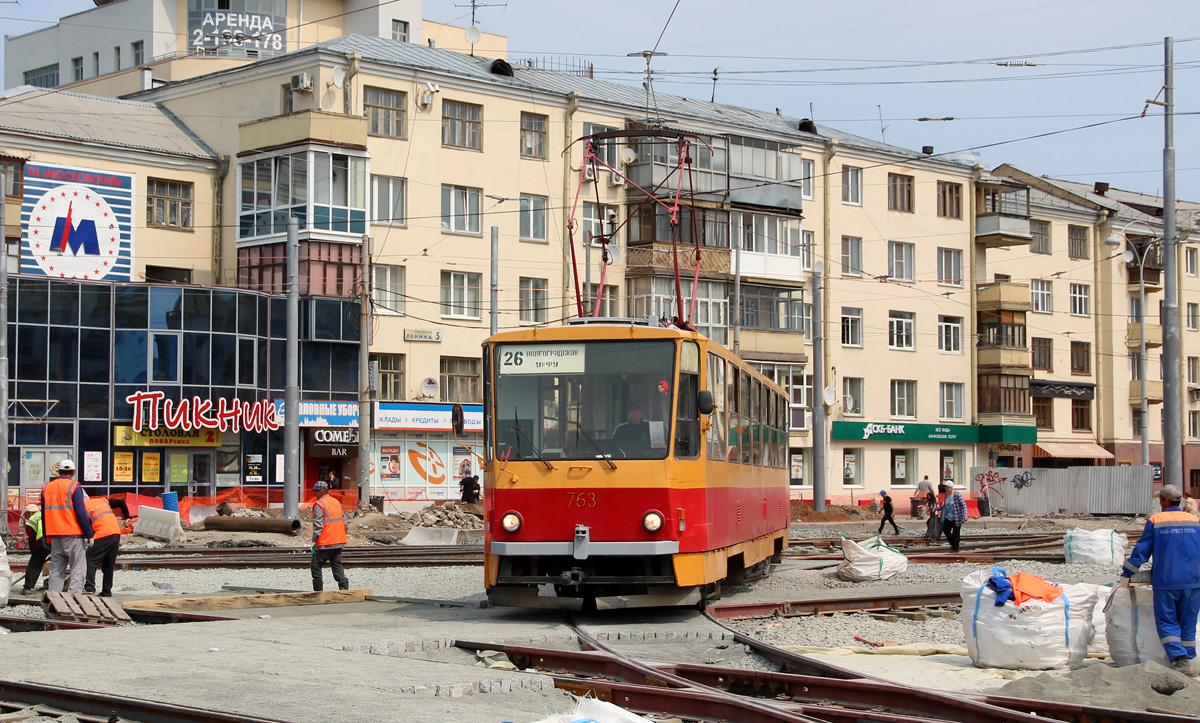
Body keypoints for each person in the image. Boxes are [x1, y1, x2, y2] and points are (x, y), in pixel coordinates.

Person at [1119, 484, 1200, 677]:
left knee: (1167, 622)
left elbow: (1142, 551)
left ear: (1164, 501)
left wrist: (1127, 572)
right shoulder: (1195, 520)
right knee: (1188, 622)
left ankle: (1180, 660)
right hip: (1193, 582)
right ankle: (1189, 661)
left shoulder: (1156, 520)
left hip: (1167, 581)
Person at [40, 460, 92, 594]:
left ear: (58, 472)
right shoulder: (74, 487)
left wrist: (46, 535)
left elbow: (44, 514)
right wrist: (89, 534)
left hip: (54, 534)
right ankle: (73, 601)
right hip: (73, 534)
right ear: (73, 472)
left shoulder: (47, 488)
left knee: (56, 569)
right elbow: (80, 512)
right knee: (78, 567)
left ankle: (54, 599)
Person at [310, 481, 349, 592]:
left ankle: (318, 592)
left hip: (325, 542)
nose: (314, 494)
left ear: (321, 491)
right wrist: (342, 535)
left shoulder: (319, 504)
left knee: (316, 566)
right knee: (337, 565)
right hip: (338, 541)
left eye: (316, 491)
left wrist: (314, 541)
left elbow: (318, 525)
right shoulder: (336, 502)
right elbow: (344, 523)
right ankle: (344, 589)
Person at [83, 496, 122, 597]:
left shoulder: (83, 506)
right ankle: (106, 591)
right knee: (109, 564)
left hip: (103, 533)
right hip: (116, 532)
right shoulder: (101, 500)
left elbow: (86, 526)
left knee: (90, 558)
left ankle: (89, 587)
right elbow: (120, 502)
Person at [20, 503, 48, 595]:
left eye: (27, 515)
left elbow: (32, 539)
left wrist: (33, 552)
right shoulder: (45, 513)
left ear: (30, 513)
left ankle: (28, 587)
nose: (26, 517)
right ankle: (53, 585)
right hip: (55, 539)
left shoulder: (31, 521)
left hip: (41, 542)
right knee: (58, 562)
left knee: (35, 563)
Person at [939, 481, 968, 552]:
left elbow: (964, 505)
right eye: (945, 488)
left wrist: (965, 515)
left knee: (956, 532)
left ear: (951, 488)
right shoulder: (946, 494)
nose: (946, 489)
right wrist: (937, 509)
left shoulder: (957, 495)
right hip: (948, 516)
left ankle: (955, 548)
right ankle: (953, 544)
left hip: (957, 517)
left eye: (947, 488)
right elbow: (945, 505)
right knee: (945, 529)